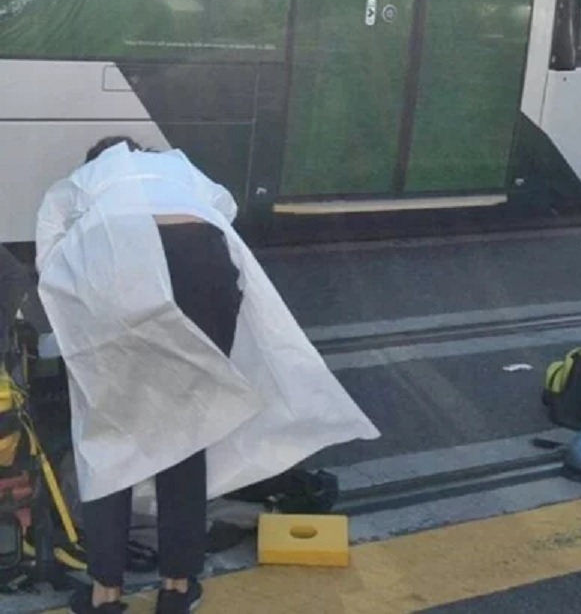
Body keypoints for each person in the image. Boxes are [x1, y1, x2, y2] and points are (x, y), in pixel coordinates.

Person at [35, 137, 380, 614]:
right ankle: (176, 588)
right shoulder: (177, 167)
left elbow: (50, 247)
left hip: (114, 264)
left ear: (97, 160)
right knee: (186, 425)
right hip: (202, 262)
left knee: (108, 431)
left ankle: (105, 594)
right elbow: (226, 207)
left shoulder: (85, 180)